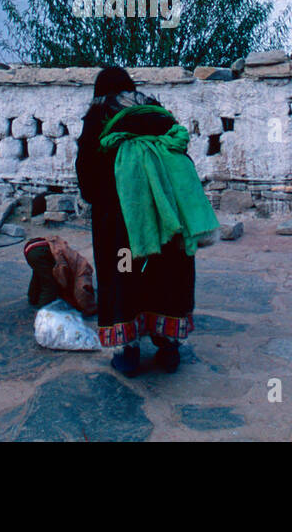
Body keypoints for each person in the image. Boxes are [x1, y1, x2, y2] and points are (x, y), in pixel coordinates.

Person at [74, 66, 217, 376]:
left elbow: (88, 180)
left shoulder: (98, 116)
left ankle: (127, 353)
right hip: (169, 223)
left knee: (123, 276)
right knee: (168, 274)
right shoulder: (158, 113)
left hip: (122, 229)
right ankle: (168, 349)